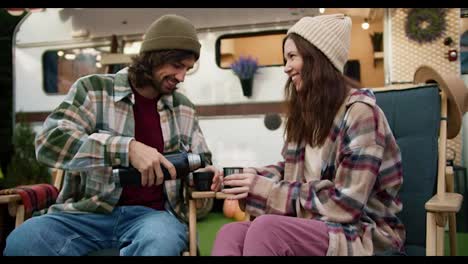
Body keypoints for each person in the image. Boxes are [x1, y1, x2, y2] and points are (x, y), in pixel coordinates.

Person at [4, 14, 221, 256]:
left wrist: (205, 174)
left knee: (161, 242)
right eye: (177, 66)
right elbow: (49, 142)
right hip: (85, 213)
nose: (181, 77)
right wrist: (126, 148)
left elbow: (201, 160)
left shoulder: (184, 108)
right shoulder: (94, 90)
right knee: (24, 241)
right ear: (153, 58)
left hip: (152, 218)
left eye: (187, 69)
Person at [211, 14, 405, 256]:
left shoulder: (362, 114)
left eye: (292, 57)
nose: (286, 67)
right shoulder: (308, 113)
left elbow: (346, 204)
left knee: (266, 229)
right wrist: (251, 177)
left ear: (318, 58)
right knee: (229, 233)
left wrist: (267, 190)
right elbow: (290, 169)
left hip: (363, 233)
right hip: (317, 224)